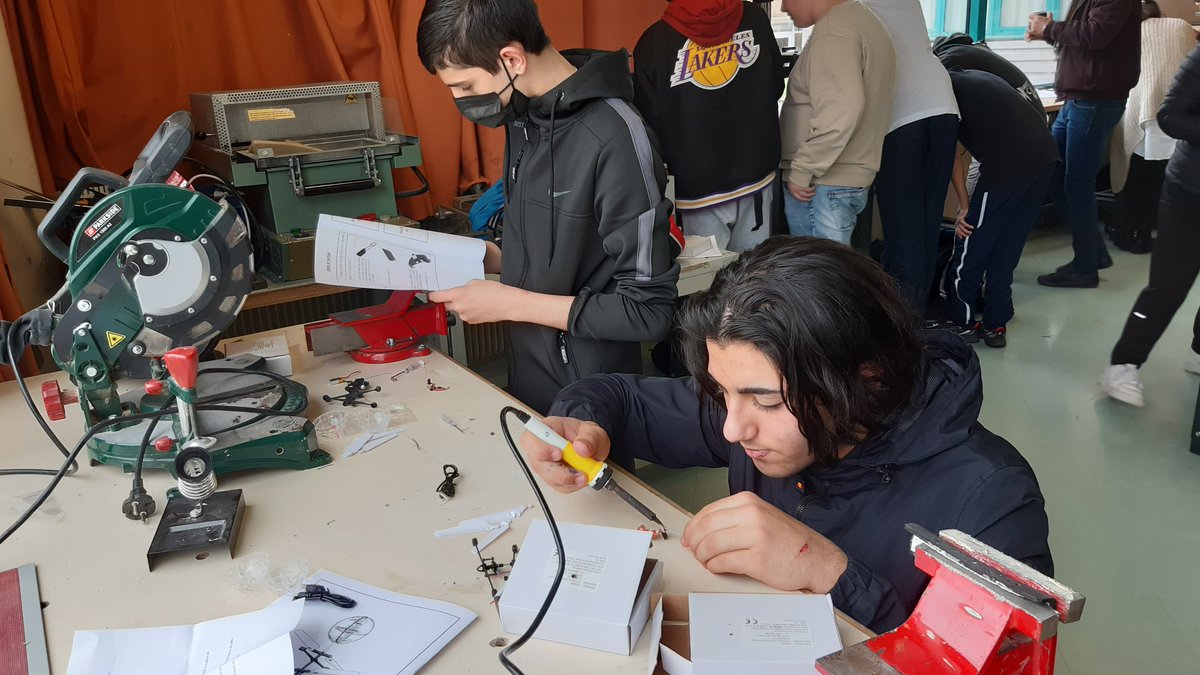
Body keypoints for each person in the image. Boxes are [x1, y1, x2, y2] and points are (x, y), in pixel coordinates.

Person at [520, 236, 1053, 632]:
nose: (732, 426)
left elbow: (981, 665)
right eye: (722, 391)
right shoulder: (752, 412)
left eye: (767, 401)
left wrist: (828, 573)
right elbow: (621, 399)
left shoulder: (992, 500)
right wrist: (583, 425)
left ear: (866, 378)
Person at [416, 0, 681, 414]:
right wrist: (488, 258)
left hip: (591, 392)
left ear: (511, 59)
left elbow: (648, 312)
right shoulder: (525, 121)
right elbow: (563, 258)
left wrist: (508, 303)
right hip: (528, 370)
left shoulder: (615, 137)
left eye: (464, 86)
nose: (460, 100)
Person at [633, 0, 783, 252]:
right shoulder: (755, 18)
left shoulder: (654, 42)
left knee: (709, 283)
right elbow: (776, 85)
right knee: (757, 276)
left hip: (696, 187)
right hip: (756, 173)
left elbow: (648, 120)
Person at [1102, 41, 1200, 407]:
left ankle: (1198, 353)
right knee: (1170, 284)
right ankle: (1122, 366)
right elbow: (1170, 116)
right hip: (1191, 191)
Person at [1027, 0, 1142, 288]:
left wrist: (1051, 27)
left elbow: (1095, 35)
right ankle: (1094, 254)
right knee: (1053, 170)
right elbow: (1085, 40)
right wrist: (1048, 33)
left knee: (1077, 183)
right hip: (1077, 98)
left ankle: (1085, 267)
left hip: (1094, 99)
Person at [945, 69, 1060, 349]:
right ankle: (996, 324)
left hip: (1007, 165)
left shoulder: (943, 92)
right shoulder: (977, 77)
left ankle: (963, 323)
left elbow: (950, 155)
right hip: (1045, 157)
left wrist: (963, 207)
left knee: (971, 241)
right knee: (1007, 244)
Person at [859, 0, 959, 312]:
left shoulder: (850, 6)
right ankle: (920, 315)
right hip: (942, 103)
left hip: (903, 111)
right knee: (927, 222)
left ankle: (906, 328)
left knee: (904, 230)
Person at [777, 0, 895, 245]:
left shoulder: (834, 29)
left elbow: (843, 106)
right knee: (834, 273)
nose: (782, 8)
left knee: (818, 277)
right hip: (840, 178)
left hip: (821, 184)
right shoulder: (863, 19)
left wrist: (803, 168)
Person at [1107, 0, 1196, 254]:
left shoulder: (1128, 31)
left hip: (1143, 110)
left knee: (1138, 176)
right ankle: (1158, 235)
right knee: (1164, 178)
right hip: (1179, 113)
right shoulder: (1181, 26)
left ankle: (1131, 234)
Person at [933, 33, 1044, 115]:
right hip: (1035, 117)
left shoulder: (954, 54)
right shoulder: (976, 49)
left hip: (1021, 120)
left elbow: (935, 79)